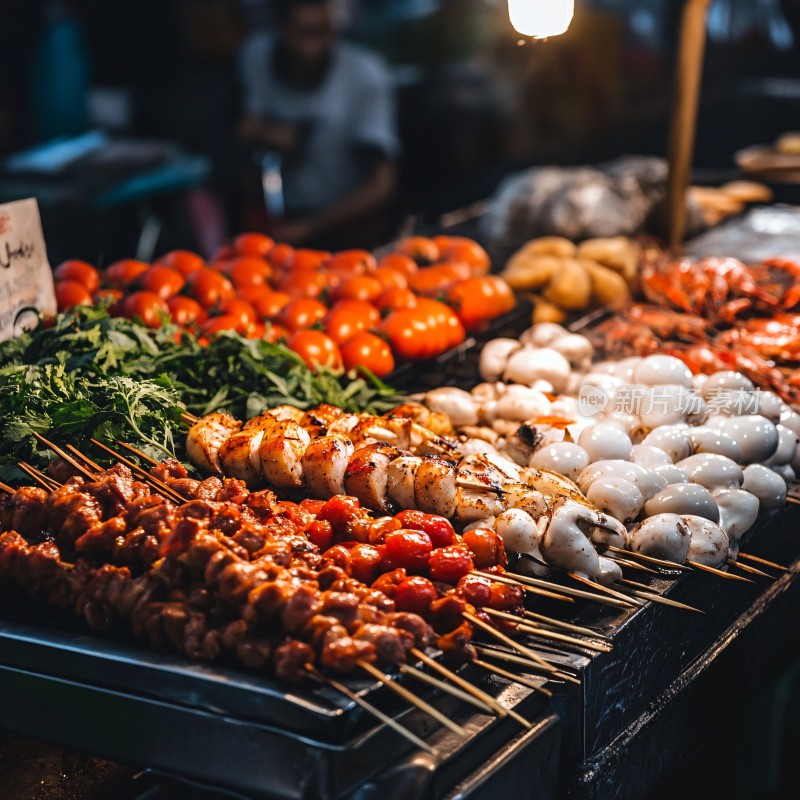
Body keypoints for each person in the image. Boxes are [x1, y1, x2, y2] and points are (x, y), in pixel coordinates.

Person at [238, 0, 399, 247]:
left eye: (323, 32)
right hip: (274, 218)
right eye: (303, 33)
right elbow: (238, 125)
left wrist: (308, 228)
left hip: (346, 226)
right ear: (280, 27)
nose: (312, 48)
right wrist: (265, 132)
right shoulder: (254, 56)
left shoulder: (366, 75)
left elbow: (381, 185)